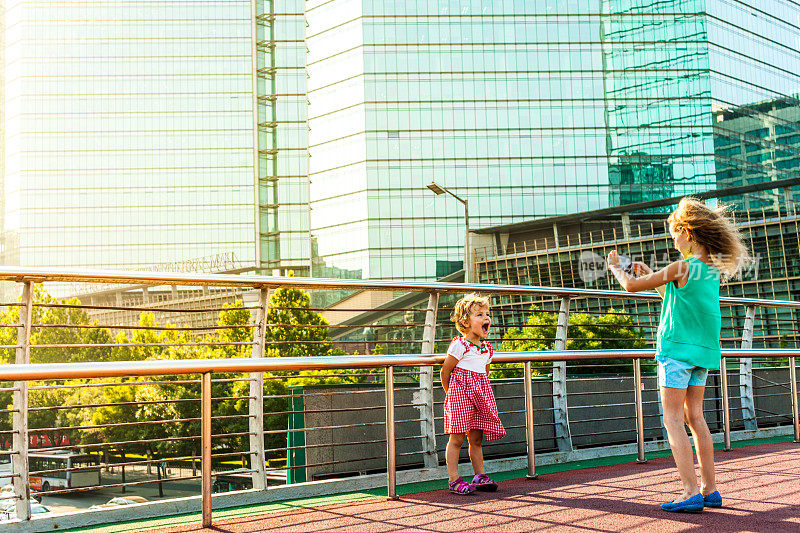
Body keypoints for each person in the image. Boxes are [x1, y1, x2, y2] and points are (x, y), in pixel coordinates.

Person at [607, 197, 750, 512]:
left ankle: (689, 491)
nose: (673, 239)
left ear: (687, 231)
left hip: (676, 352)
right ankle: (709, 489)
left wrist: (618, 268)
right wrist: (654, 278)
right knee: (695, 417)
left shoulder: (681, 266)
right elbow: (678, 297)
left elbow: (630, 286)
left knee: (672, 417)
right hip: (702, 353)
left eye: (674, 233)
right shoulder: (709, 270)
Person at [440, 293, 506, 495]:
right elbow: (445, 372)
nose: (486, 318)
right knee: (457, 439)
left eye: (487, 314)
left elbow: (484, 374)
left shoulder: (487, 349)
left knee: (476, 439)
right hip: (460, 396)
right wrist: (451, 395)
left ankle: (480, 476)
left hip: (480, 396)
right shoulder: (460, 345)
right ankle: (454, 480)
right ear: (465, 322)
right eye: (479, 314)